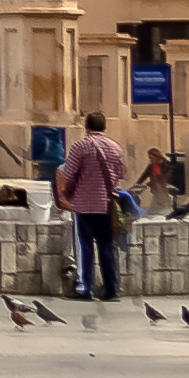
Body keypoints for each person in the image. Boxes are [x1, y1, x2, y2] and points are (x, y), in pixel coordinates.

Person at [55, 118, 134, 299]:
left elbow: (69, 173)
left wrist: (67, 194)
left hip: (84, 205)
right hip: (107, 205)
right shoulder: (115, 148)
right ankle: (111, 289)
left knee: (84, 247)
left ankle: (85, 288)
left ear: (87, 127)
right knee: (106, 247)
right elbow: (121, 174)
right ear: (104, 127)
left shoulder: (80, 147)